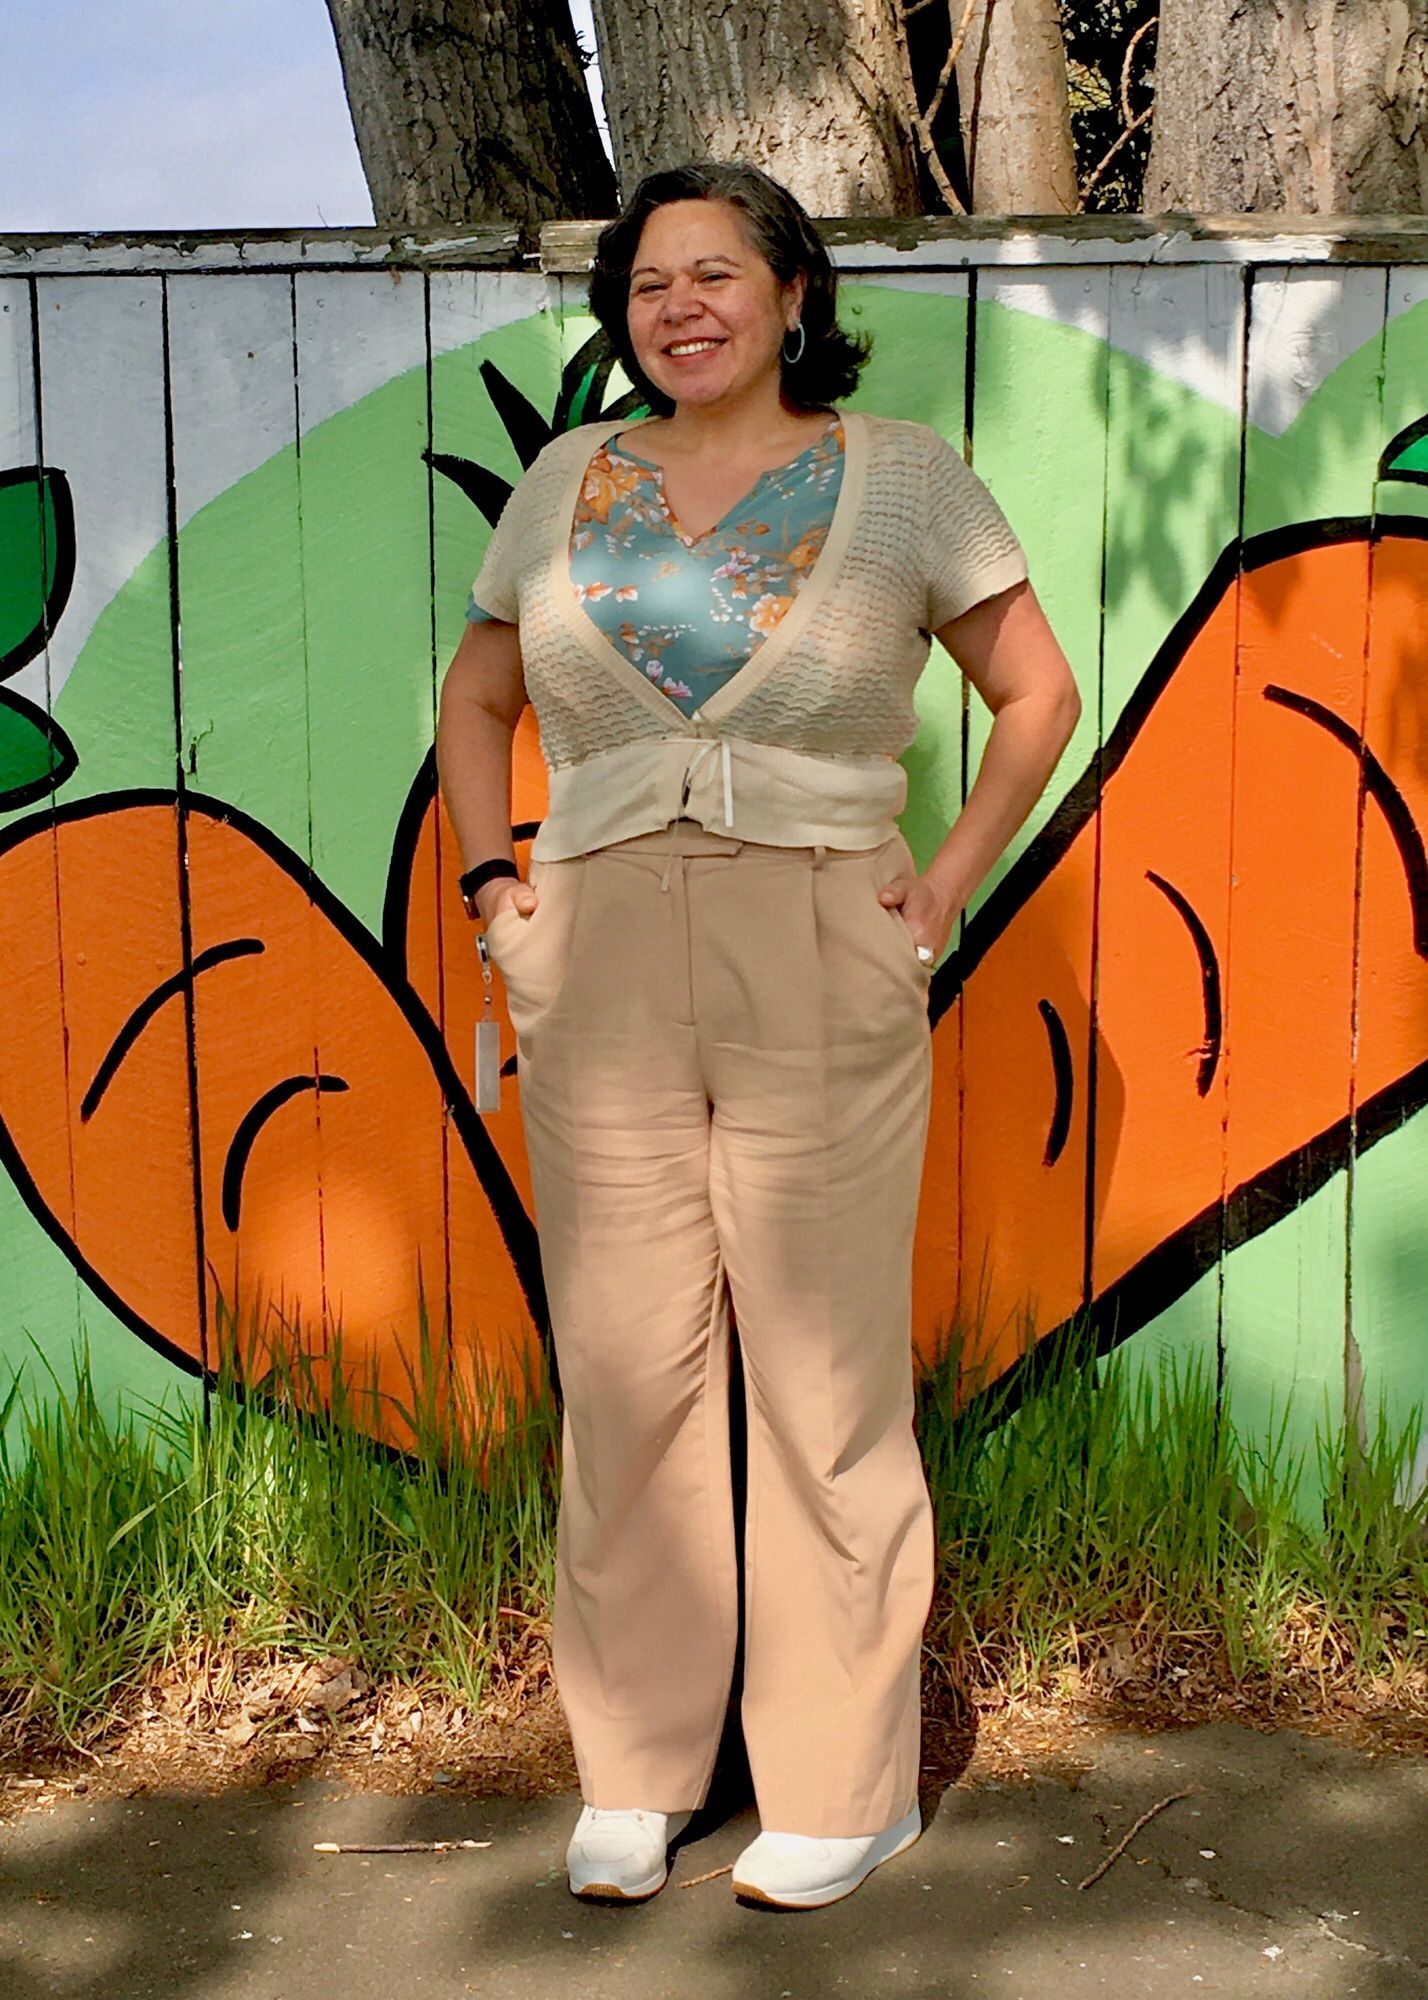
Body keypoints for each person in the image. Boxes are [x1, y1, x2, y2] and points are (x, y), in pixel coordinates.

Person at [435, 159, 1080, 1911]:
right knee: (630, 1362)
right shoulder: (570, 479)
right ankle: (637, 1772)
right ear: (621, 314)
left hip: (821, 939)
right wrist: (501, 889)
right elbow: (481, 692)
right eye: (651, 285)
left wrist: (940, 885)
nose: (683, 308)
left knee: (822, 1371)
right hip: (603, 944)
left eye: (718, 274)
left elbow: (1037, 692)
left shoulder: (904, 483)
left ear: (796, 294)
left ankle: (840, 1784)